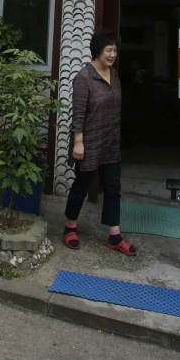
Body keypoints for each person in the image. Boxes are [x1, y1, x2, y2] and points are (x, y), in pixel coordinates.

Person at [63, 29, 137, 256]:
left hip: (110, 142)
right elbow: (78, 113)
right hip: (88, 142)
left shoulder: (113, 75)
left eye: (115, 50)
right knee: (82, 187)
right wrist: (78, 141)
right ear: (97, 50)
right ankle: (70, 227)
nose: (113, 54)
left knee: (113, 189)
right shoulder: (84, 78)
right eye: (109, 50)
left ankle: (114, 235)